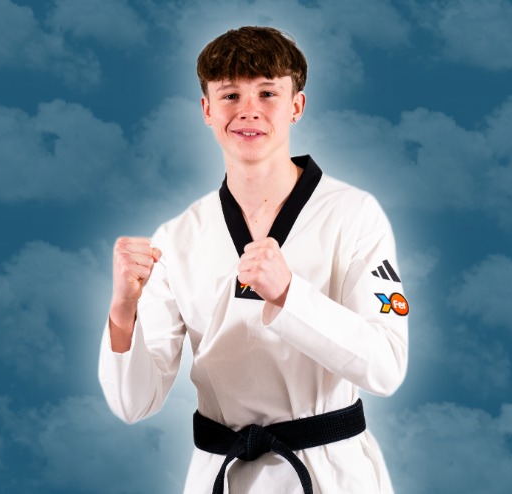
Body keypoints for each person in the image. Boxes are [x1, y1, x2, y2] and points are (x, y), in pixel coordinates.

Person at [99, 26, 408, 494]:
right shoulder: (178, 238)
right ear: (206, 109)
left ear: (296, 106)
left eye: (267, 93)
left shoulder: (354, 215)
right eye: (230, 95)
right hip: (222, 472)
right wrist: (124, 311)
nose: (248, 110)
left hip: (330, 472)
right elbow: (133, 403)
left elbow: (386, 367)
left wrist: (290, 295)